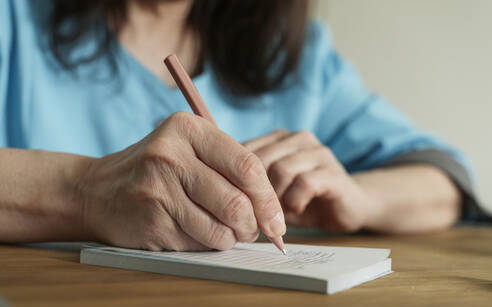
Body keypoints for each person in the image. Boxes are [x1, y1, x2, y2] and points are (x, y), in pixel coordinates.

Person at [0, 0, 475, 251]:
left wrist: (358, 197)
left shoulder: (295, 57)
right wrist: (85, 192)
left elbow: (444, 179)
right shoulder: (14, 18)